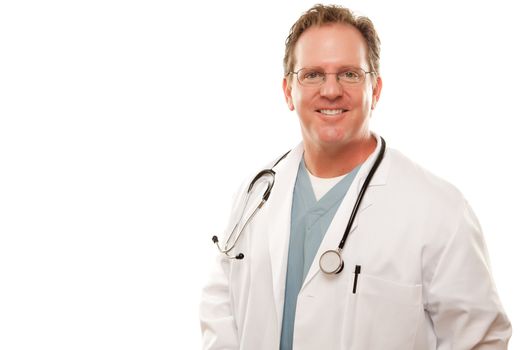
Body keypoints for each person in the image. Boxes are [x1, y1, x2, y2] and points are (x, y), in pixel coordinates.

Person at [199, 4, 512, 349]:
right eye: (312, 74)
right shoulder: (255, 194)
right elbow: (220, 307)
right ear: (289, 91)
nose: (331, 90)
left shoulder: (439, 210)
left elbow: (481, 340)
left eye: (349, 74)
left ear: (375, 90)